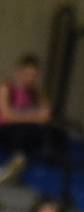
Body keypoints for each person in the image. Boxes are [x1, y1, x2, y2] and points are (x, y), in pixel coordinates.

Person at [0, 54, 61, 183]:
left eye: (33, 75)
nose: (29, 78)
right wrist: (34, 117)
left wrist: (39, 91)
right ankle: (16, 163)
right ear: (19, 72)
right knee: (22, 131)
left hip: (28, 129)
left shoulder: (34, 91)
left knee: (53, 133)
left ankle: (29, 163)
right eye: (27, 74)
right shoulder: (6, 88)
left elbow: (46, 114)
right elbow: (7, 116)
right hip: (7, 130)